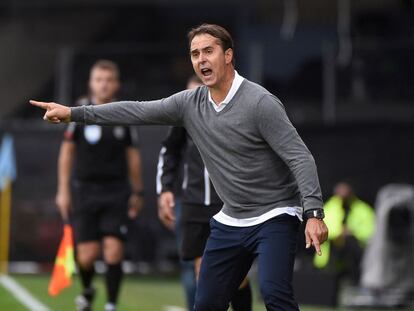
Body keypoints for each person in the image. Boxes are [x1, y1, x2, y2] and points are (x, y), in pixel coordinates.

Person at [31, 23, 328, 311]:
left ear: (228, 55)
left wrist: (314, 213)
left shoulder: (260, 102)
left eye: (208, 51)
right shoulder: (189, 103)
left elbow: (300, 157)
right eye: (195, 54)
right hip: (232, 219)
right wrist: (73, 113)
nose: (201, 60)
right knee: (207, 303)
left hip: (275, 214)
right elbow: (136, 110)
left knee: (274, 294)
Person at [157, 75, 252, 311]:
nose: (195, 100)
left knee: (238, 275)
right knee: (203, 272)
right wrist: (165, 189)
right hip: (195, 204)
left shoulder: (235, 116)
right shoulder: (182, 121)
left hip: (230, 204)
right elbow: (169, 153)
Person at [55, 60, 144, 311]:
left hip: (116, 192)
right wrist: (63, 191)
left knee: (114, 251)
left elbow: (133, 156)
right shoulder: (78, 111)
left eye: (108, 80)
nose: (103, 84)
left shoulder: (124, 113)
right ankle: (87, 289)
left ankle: (112, 304)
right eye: (98, 79)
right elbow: (66, 153)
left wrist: (138, 191)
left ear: (116, 84)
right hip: (85, 191)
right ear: (91, 83)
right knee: (86, 256)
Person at [314, 182, 374, 283]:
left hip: (356, 257)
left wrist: (353, 232)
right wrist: (339, 233)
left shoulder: (363, 210)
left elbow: (371, 232)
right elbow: (321, 228)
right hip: (330, 257)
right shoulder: (329, 208)